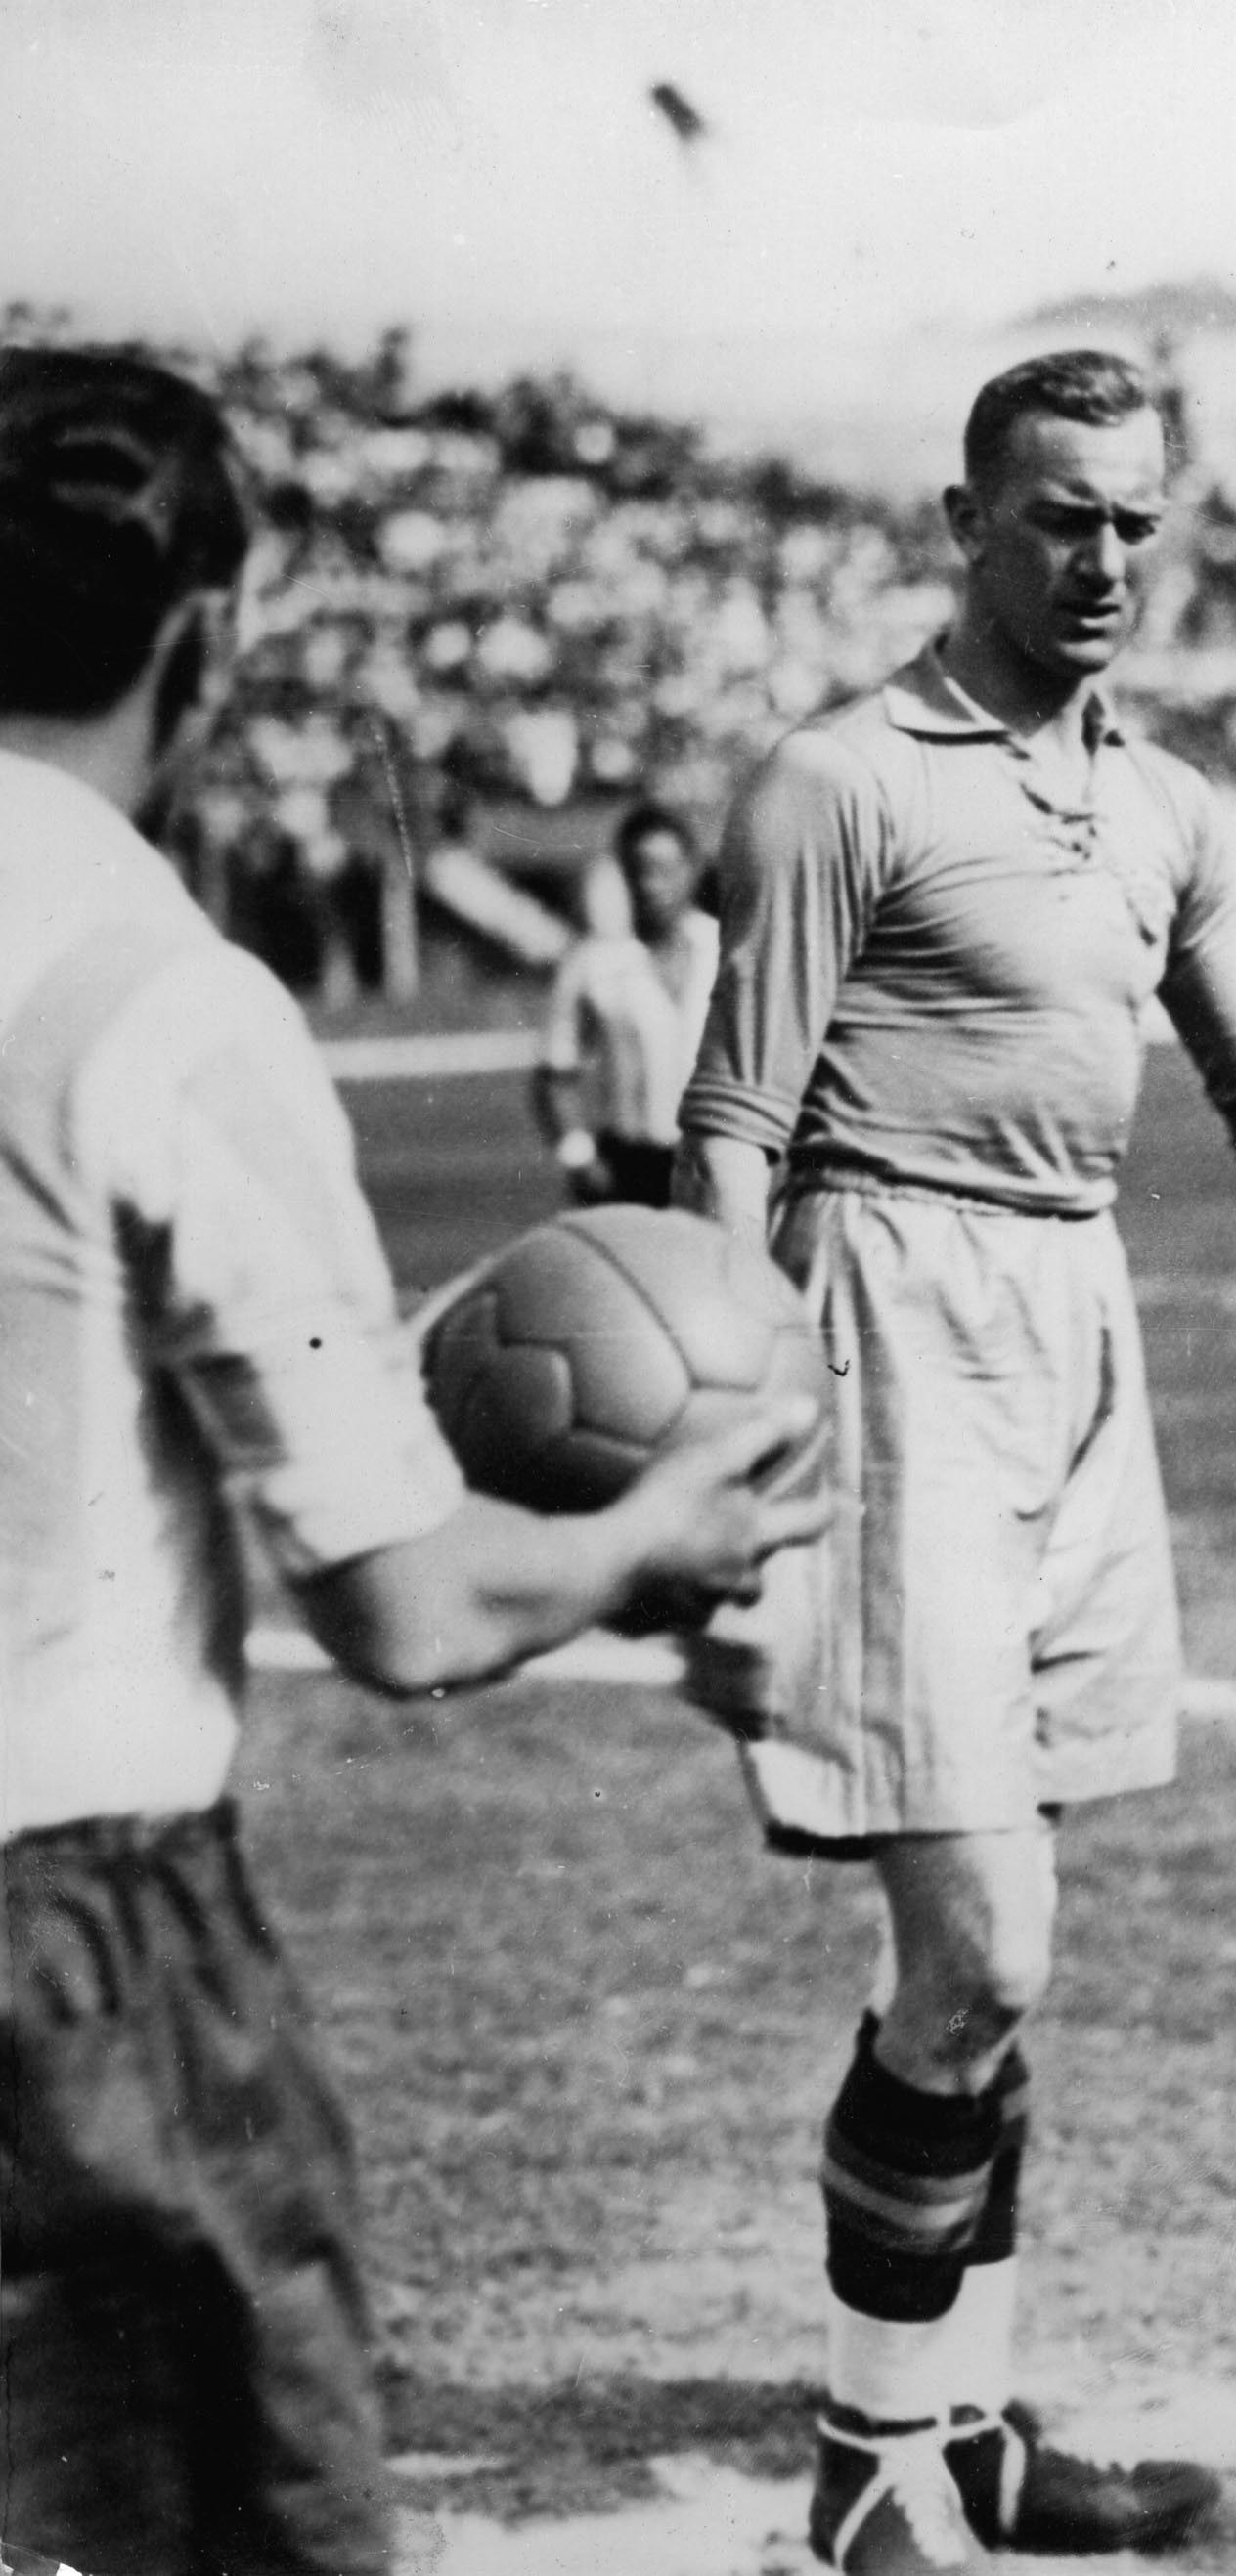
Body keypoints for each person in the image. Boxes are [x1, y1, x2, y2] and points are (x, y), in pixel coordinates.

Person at [676, 349, 1236, 2576]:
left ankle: (970, 2425)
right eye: (1059, 515)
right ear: (967, 515)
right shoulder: (839, 779)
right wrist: (725, 1459)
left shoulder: (1169, 811)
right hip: (883, 1325)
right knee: (974, 1941)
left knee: (1015, 1945)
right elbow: (728, 1130)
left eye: (1134, 523)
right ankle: (872, 2463)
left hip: (1075, 1335)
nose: (1100, 561)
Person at [0, 352, 823, 2576]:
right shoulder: (165, 1004)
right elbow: (409, 1609)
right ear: (204, 640)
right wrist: (655, 1537)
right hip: (64, 1926)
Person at [531, 799, 721, 1206]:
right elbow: (554, 1072)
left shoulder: (725, 951)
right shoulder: (594, 961)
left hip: (713, 1162)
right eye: (639, 871)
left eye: (665, 870)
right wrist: (579, 1158)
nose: (651, 885)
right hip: (628, 1164)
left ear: (693, 868)